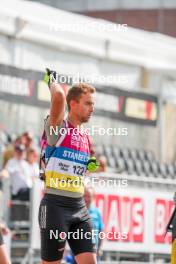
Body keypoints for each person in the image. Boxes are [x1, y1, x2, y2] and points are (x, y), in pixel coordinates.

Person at [38, 70, 97, 264]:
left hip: (79, 207)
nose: (92, 108)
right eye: (88, 103)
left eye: (93, 104)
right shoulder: (59, 127)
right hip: (55, 206)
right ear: (73, 104)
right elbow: (58, 96)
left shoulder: (85, 136)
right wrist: (51, 80)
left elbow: (82, 167)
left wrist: (89, 165)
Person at [84, 186, 104, 263]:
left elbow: (101, 231)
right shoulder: (76, 211)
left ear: (93, 197)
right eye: (84, 196)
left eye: (88, 196)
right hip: (78, 249)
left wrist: (100, 248)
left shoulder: (96, 212)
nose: (86, 199)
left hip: (93, 250)